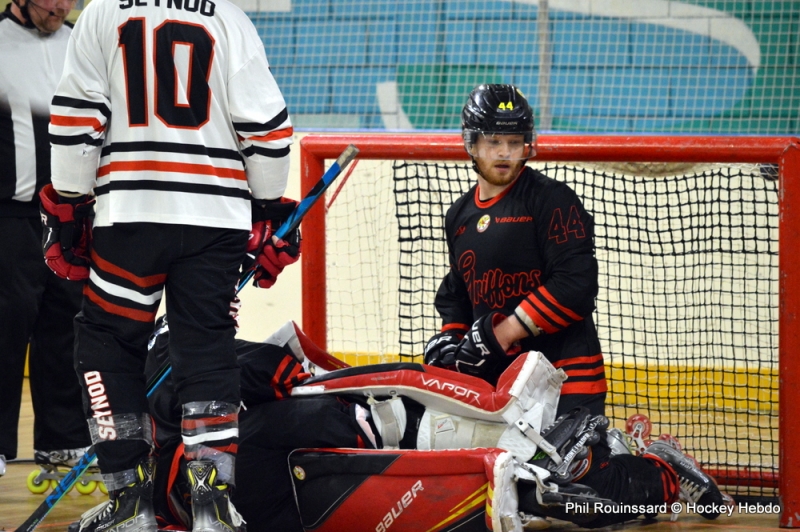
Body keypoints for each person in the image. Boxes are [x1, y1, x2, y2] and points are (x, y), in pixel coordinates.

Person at [40, 0, 298, 527]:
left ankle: (130, 502)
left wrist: (71, 201)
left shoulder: (102, 11)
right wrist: (267, 204)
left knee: (107, 344)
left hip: (129, 216)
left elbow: (75, 117)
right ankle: (212, 504)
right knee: (207, 350)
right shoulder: (228, 17)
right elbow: (269, 129)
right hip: (216, 219)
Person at [139, 321, 727, 532]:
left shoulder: (188, 369)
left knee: (533, 482)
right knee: (529, 495)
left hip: (374, 436)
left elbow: (271, 371)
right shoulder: (160, 480)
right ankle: (645, 471)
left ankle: (654, 473)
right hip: (333, 494)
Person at [425, 83, 607, 417]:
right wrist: (452, 340)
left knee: (577, 471)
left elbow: (576, 284)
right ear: (472, 143)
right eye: (493, 141)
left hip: (565, 376)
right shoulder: (459, 215)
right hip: (499, 384)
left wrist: (505, 331)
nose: (505, 152)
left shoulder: (552, 199)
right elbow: (457, 292)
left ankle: (656, 469)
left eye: (514, 142)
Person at [0, 0, 92, 478]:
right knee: (6, 327)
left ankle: (63, 442)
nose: (59, 7)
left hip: (65, 214)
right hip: (8, 217)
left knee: (66, 324)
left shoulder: (80, 43)